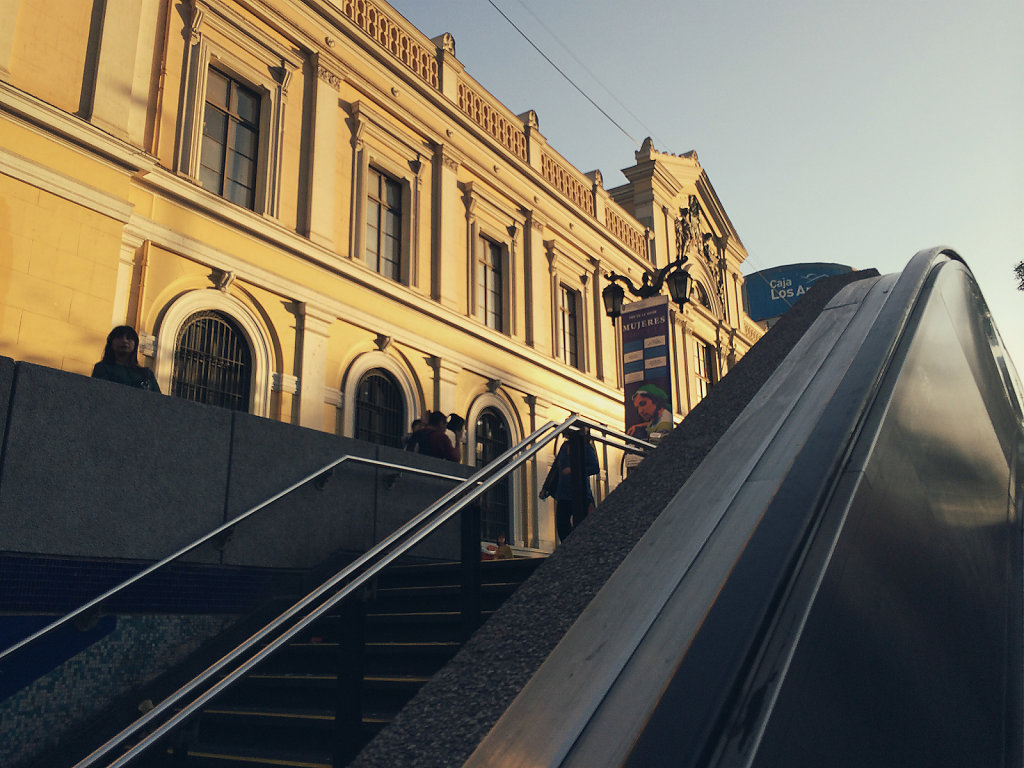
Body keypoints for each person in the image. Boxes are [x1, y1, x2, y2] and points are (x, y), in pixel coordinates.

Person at [539, 434, 599, 542]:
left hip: (580, 494)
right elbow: (556, 467)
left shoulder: (586, 447)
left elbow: (595, 468)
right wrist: (546, 487)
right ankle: (569, 546)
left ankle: (579, 546)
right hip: (563, 494)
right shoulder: (564, 446)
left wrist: (573, 470)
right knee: (562, 527)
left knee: (583, 525)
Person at [91, 325, 161, 393]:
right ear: (111, 343)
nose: (124, 341)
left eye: (129, 338)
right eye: (119, 337)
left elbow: (159, 401)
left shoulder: (147, 374)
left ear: (135, 344)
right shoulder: (102, 368)